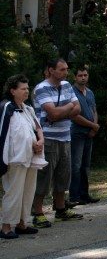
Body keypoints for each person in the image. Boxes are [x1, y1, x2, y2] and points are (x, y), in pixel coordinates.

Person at [31, 59, 83, 228]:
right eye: (61, 69)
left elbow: (78, 109)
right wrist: (68, 107)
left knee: (63, 175)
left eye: (66, 69)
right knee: (44, 177)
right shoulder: (41, 88)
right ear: (51, 70)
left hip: (65, 137)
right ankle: (37, 213)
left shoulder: (67, 85)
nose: (66, 72)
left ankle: (60, 209)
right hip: (48, 138)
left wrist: (61, 111)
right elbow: (52, 114)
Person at [1, 75, 45, 239]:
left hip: (31, 156)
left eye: (27, 88)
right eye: (23, 89)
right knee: (14, 192)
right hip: (15, 158)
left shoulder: (28, 108)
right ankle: (6, 227)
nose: (27, 91)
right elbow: (2, 132)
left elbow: (38, 128)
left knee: (28, 191)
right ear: (13, 91)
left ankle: (22, 223)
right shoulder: (6, 107)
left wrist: (40, 141)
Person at [69, 66, 99, 204]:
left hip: (89, 133)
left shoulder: (90, 92)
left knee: (85, 165)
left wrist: (94, 127)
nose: (83, 78)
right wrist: (92, 125)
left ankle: (84, 194)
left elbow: (94, 110)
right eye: (80, 75)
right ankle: (74, 196)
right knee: (76, 165)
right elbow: (74, 115)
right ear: (75, 77)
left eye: (85, 75)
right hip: (77, 132)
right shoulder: (71, 92)